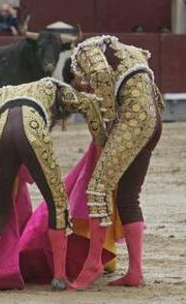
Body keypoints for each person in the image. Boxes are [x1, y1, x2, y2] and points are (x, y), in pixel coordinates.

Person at [0, 77, 107, 295]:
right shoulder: (52, 85)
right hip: (33, 131)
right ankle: (59, 276)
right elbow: (88, 103)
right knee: (57, 202)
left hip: (1, 136)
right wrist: (100, 140)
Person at [62, 35, 165, 289]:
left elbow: (101, 79)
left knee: (97, 189)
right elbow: (152, 91)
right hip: (152, 120)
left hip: (134, 120)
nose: (84, 90)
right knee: (128, 197)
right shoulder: (128, 49)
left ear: (75, 73)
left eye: (80, 85)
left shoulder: (85, 52)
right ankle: (136, 273)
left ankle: (93, 263)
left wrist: (107, 127)